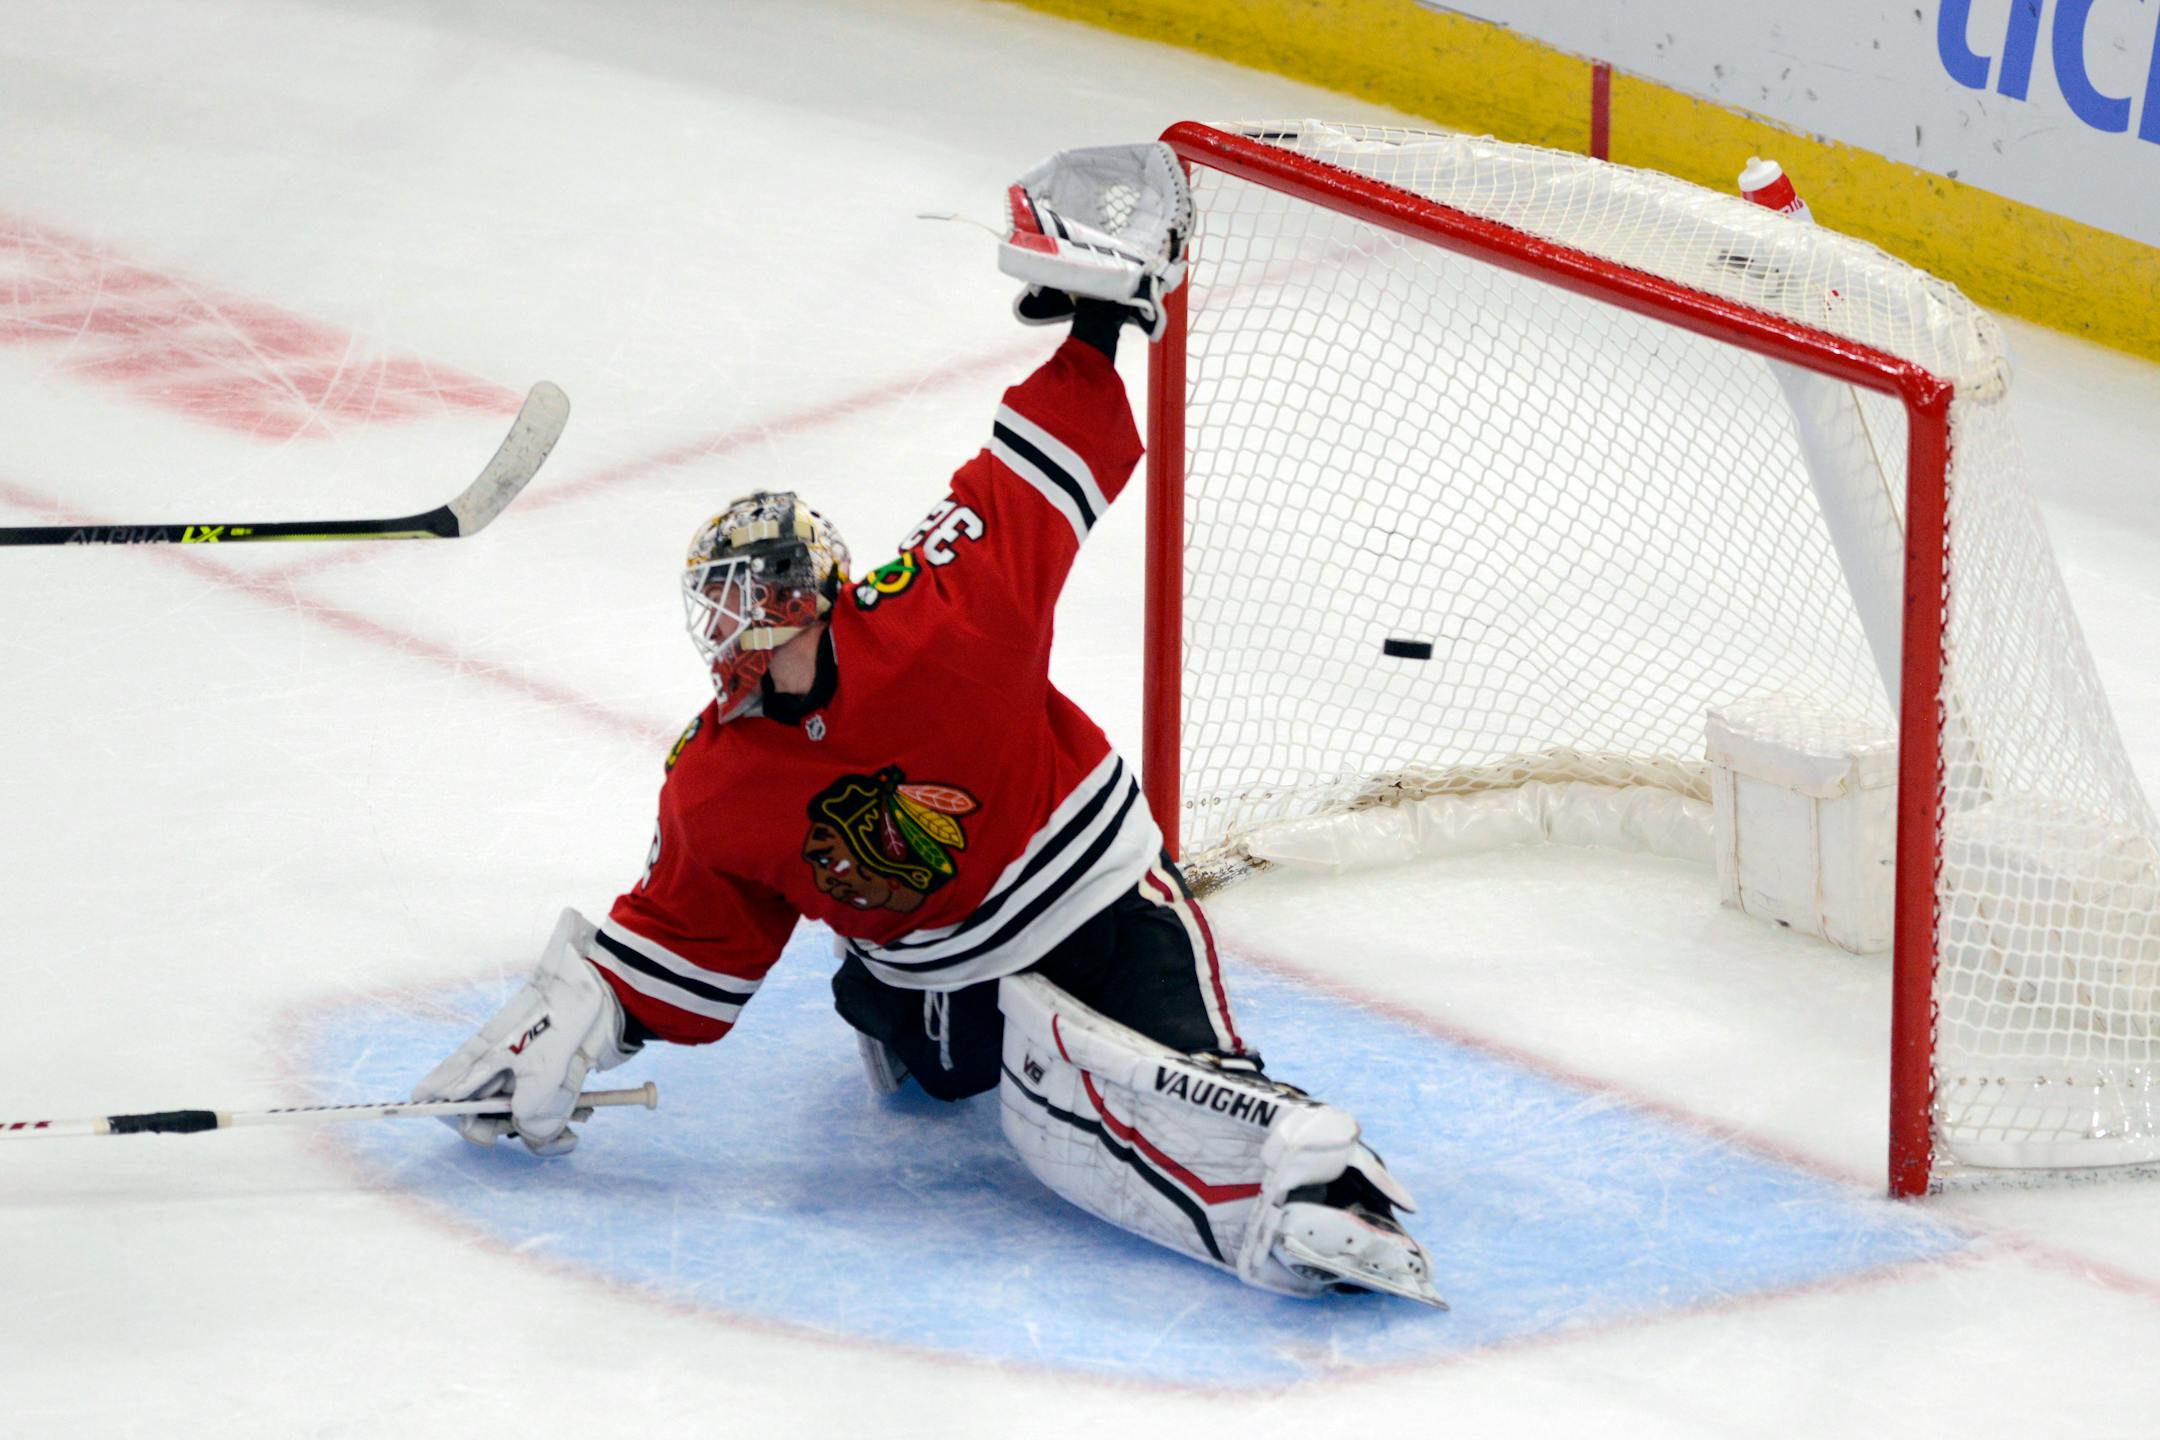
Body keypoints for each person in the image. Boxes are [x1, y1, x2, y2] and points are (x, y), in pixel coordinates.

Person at [414, 143, 1444, 1308]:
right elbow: (693, 938)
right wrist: (579, 1021)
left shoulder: (943, 619)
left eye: (777, 603)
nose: (756, 633)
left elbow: (1034, 473)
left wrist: (1102, 320)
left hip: (1098, 900)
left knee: (1163, 1075)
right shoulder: (715, 781)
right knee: (954, 1086)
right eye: (736, 614)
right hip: (928, 967)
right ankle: (923, 1027)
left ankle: (1315, 1192)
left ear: (826, 592)